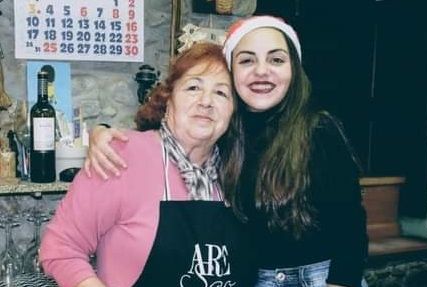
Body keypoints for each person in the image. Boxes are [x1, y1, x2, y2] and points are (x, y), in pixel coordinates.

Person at [84, 16, 368, 287]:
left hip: (318, 278)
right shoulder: (225, 131)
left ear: (294, 69)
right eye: (247, 60)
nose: (261, 70)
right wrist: (102, 133)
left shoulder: (319, 130)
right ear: (231, 74)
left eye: (276, 59)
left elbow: (351, 226)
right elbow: (160, 123)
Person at [39, 43, 257, 287]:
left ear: (233, 111)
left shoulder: (241, 170)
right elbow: (61, 248)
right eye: (193, 87)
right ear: (168, 100)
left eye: (221, 93)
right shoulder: (120, 157)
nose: (206, 101)